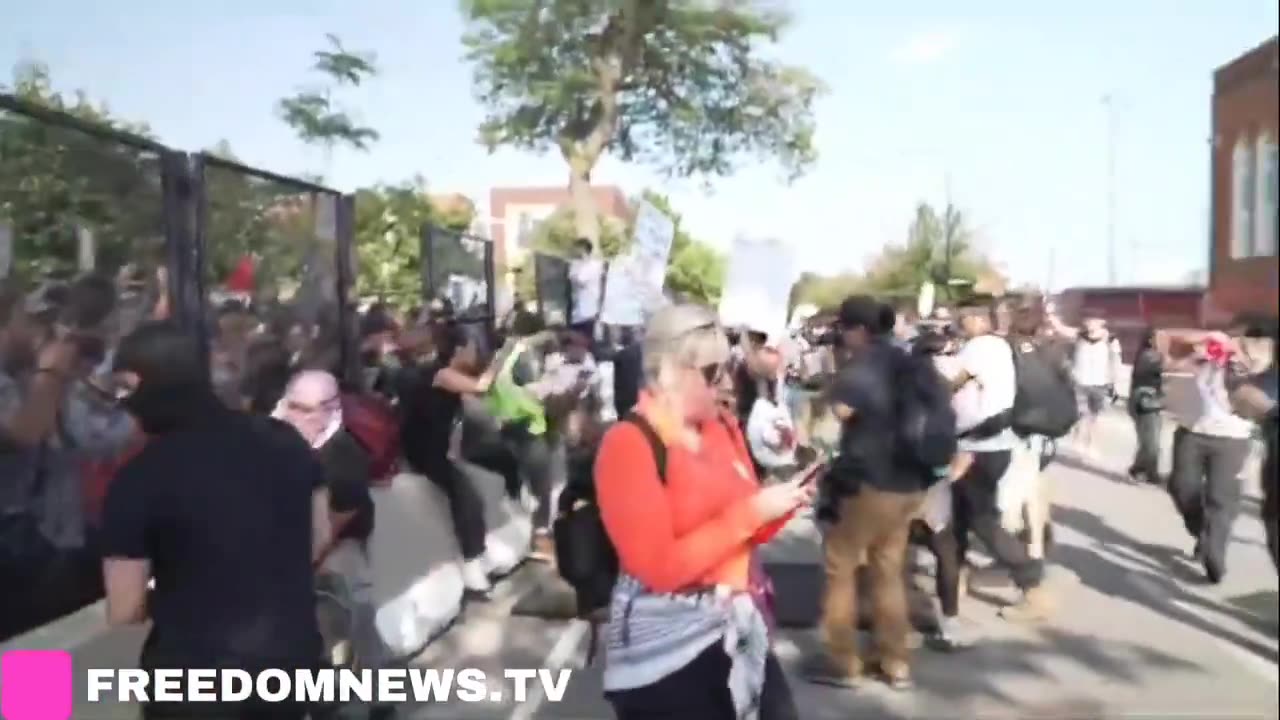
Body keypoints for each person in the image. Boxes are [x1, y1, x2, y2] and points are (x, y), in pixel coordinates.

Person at [595, 303, 812, 720]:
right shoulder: (629, 443)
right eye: (713, 373)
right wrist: (752, 513)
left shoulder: (723, 428)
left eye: (727, 366)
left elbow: (750, 532)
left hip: (735, 623)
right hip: (663, 650)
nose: (727, 383)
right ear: (670, 372)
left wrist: (787, 499)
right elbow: (660, 568)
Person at [99, 322, 324, 720]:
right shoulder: (285, 440)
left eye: (124, 388)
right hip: (291, 665)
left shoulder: (139, 479)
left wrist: (188, 591)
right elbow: (317, 538)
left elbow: (124, 608)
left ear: (139, 384)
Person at [802, 296, 928, 690]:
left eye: (844, 329)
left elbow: (837, 416)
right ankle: (895, 662)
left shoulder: (865, 365)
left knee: (841, 567)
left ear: (857, 329)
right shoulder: (908, 360)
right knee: (888, 570)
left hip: (870, 482)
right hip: (909, 483)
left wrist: (825, 393)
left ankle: (842, 661)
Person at [949, 304, 1052, 622]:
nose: (959, 323)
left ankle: (1032, 585)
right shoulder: (998, 347)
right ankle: (955, 582)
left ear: (978, 319)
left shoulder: (981, 347)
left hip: (978, 444)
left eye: (963, 318)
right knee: (959, 517)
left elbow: (951, 382)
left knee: (981, 519)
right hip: (987, 442)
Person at [401, 323, 517, 593]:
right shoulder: (442, 374)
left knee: (488, 474)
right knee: (466, 497)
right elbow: (481, 387)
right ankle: (471, 562)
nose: (477, 353)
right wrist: (504, 355)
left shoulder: (446, 375)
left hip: (436, 448)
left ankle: (479, 553)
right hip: (422, 450)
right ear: (460, 349)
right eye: (473, 347)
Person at [1165, 321, 1268, 582]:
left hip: (1233, 438)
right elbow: (1172, 360)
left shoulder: (1258, 354)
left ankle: (1214, 555)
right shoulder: (1211, 351)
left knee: (1221, 499)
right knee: (1181, 486)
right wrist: (1198, 352)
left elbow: (1258, 366)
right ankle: (1202, 531)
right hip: (1192, 430)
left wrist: (1237, 355)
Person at [1128, 328, 1165, 484]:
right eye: (1161, 338)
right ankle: (1141, 470)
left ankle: (1145, 470)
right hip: (1145, 400)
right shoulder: (1148, 355)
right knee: (1151, 440)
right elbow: (1167, 366)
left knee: (1151, 439)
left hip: (1151, 401)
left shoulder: (1150, 354)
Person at [568, 237, 605, 343]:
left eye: (576, 248)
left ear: (583, 249)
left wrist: (574, 274)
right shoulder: (575, 265)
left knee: (588, 340)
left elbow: (579, 280)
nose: (573, 252)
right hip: (576, 312)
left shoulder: (594, 265)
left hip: (590, 310)